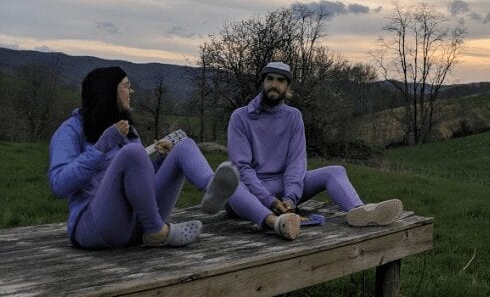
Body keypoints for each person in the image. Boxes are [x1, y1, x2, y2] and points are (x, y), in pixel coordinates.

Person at [49, 66, 240, 248]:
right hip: (96, 228)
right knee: (133, 152)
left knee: (184, 146)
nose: (131, 92)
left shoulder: (126, 128)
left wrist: (160, 162)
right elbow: (59, 185)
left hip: (138, 225)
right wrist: (101, 147)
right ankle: (157, 231)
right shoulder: (70, 130)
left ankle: (212, 187)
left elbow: (139, 184)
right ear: (107, 91)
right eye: (126, 86)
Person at [226, 61, 403, 240]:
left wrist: (291, 198)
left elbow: (296, 161)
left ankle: (361, 212)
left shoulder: (293, 117)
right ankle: (276, 222)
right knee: (229, 183)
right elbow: (242, 168)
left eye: (280, 80)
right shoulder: (241, 117)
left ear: (287, 86)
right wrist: (269, 201)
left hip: (284, 187)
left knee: (335, 171)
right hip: (251, 192)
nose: (274, 84)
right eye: (269, 79)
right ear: (262, 82)